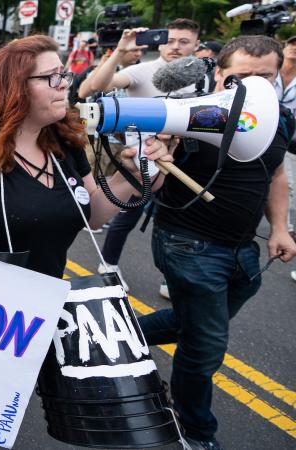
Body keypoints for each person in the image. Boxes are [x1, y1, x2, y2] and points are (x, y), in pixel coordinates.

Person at [0, 35, 172, 450]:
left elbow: (90, 212)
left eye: (65, 75)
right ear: (15, 86)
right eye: (52, 77)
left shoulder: (58, 142)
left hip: (36, 311)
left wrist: (139, 174)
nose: (65, 85)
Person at [138, 35, 296, 450]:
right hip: (190, 245)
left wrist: (279, 228)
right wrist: (158, 152)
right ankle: (194, 430)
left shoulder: (279, 118)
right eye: (241, 77)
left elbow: (276, 175)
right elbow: (148, 176)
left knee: (191, 326)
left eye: (265, 77)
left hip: (243, 249)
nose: (253, 87)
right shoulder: (193, 116)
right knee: (205, 345)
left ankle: (116, 336)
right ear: (219, 74)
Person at [77, 19, 201, 293]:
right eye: (170, 40)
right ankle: (108, 265)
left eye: (184, 42)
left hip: (187, 163)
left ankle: (173, 276)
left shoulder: (204, 78)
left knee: (180, 221)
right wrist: (119, 53)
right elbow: (90, 88)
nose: (176, 48)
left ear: (197, 45)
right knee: (128, 215)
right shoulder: (143, 72)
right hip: (144, 161)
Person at [276, 36, 296, 244]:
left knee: (285, 180)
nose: (294, 49)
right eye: (292, 44)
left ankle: (286, 229)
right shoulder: (271, 72)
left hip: (288, 136)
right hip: (258, 128)